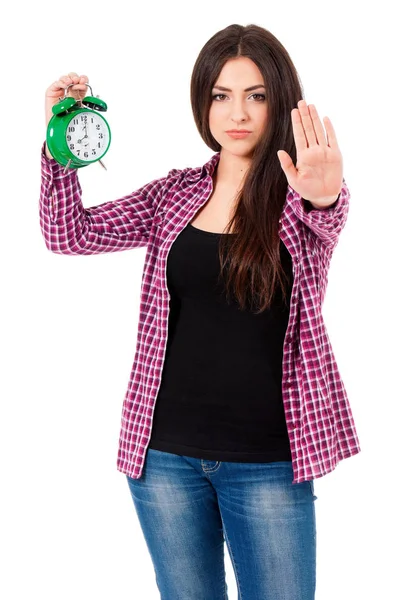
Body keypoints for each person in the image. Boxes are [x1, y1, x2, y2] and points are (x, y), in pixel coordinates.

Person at [40, 22, 361, 600]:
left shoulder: (302, 198)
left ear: (280, 103)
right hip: (163, 458)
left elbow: (327, 217)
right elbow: (69, 234)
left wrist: (326, 194)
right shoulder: (173, 194)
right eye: (221, 94)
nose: (237, 112)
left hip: (268, 462)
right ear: (203, 102)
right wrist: (61, 143)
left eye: (256, 96)